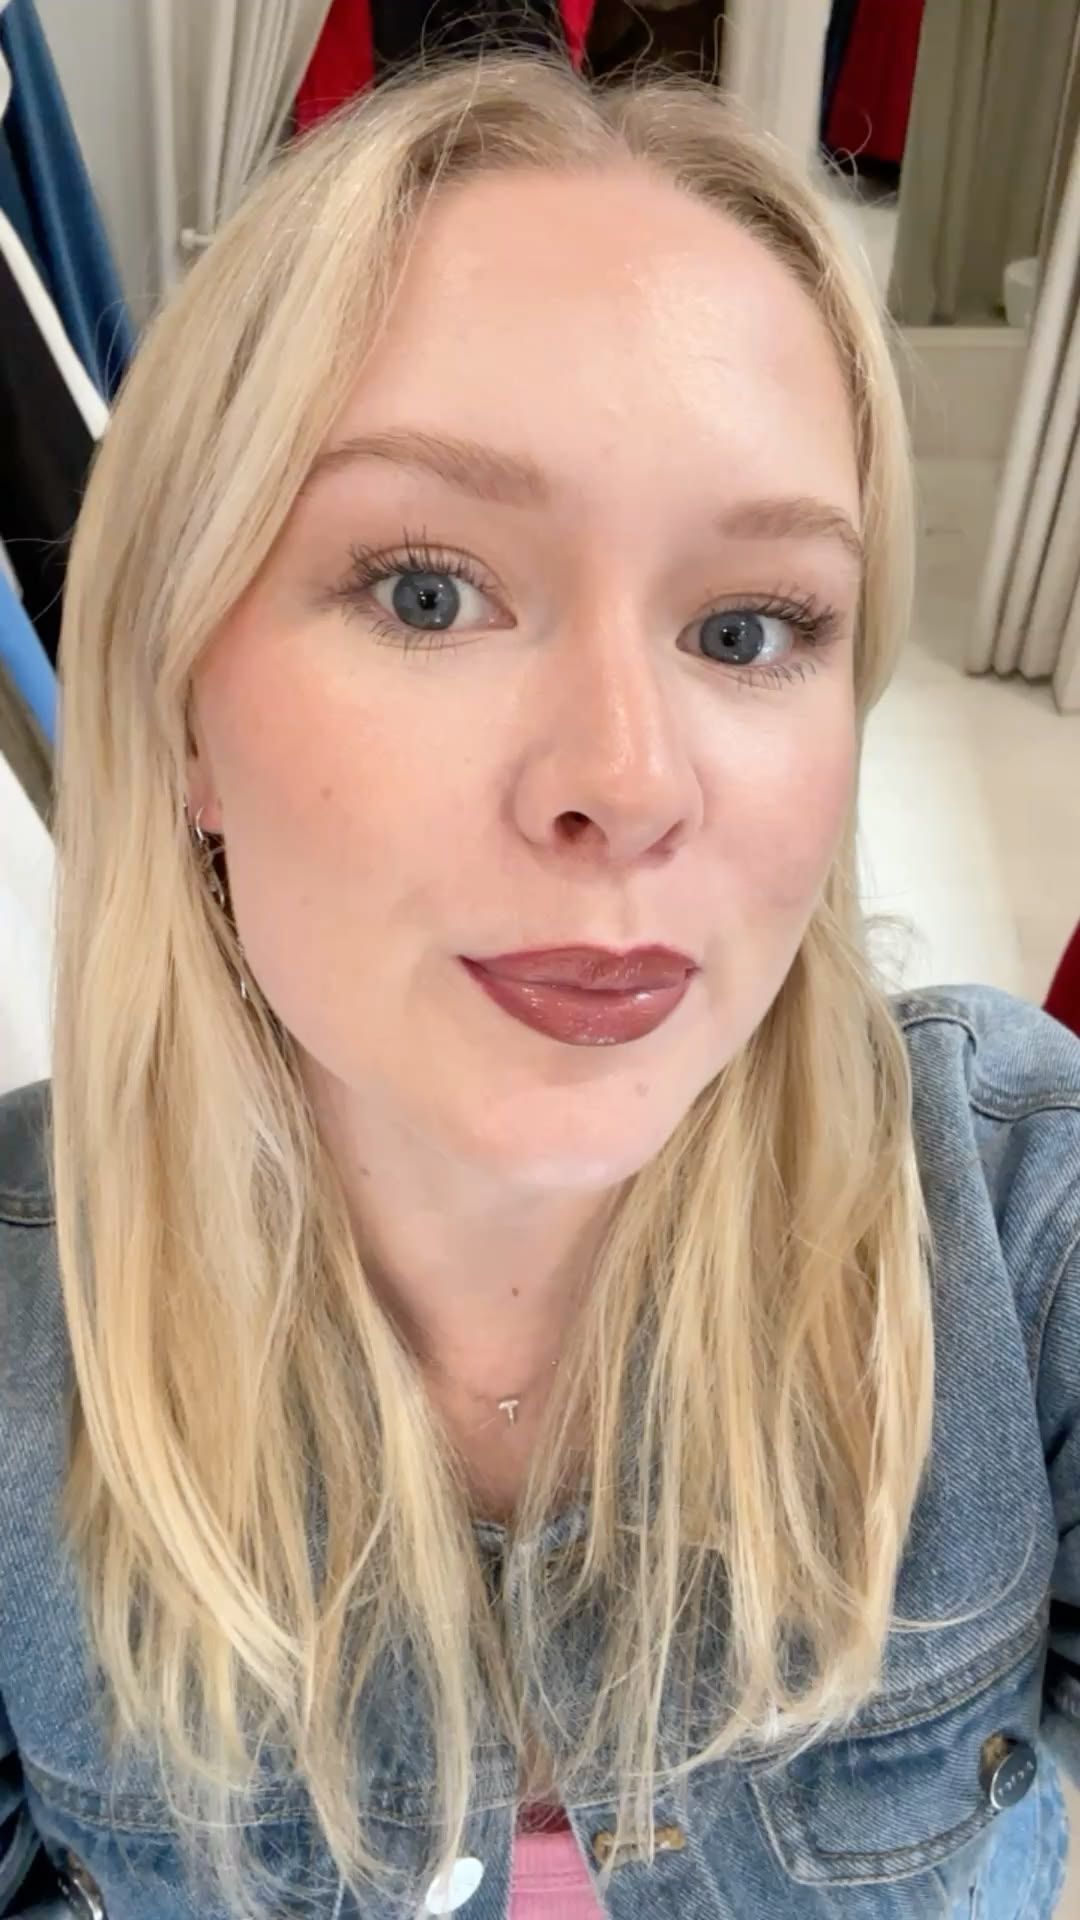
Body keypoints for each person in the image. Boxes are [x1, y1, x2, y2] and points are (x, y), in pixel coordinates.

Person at [0, 50, 1078, 1920]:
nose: (629, 780)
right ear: (179, 708)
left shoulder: (1019, 1223)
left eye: (748, 625)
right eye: (429, 591)